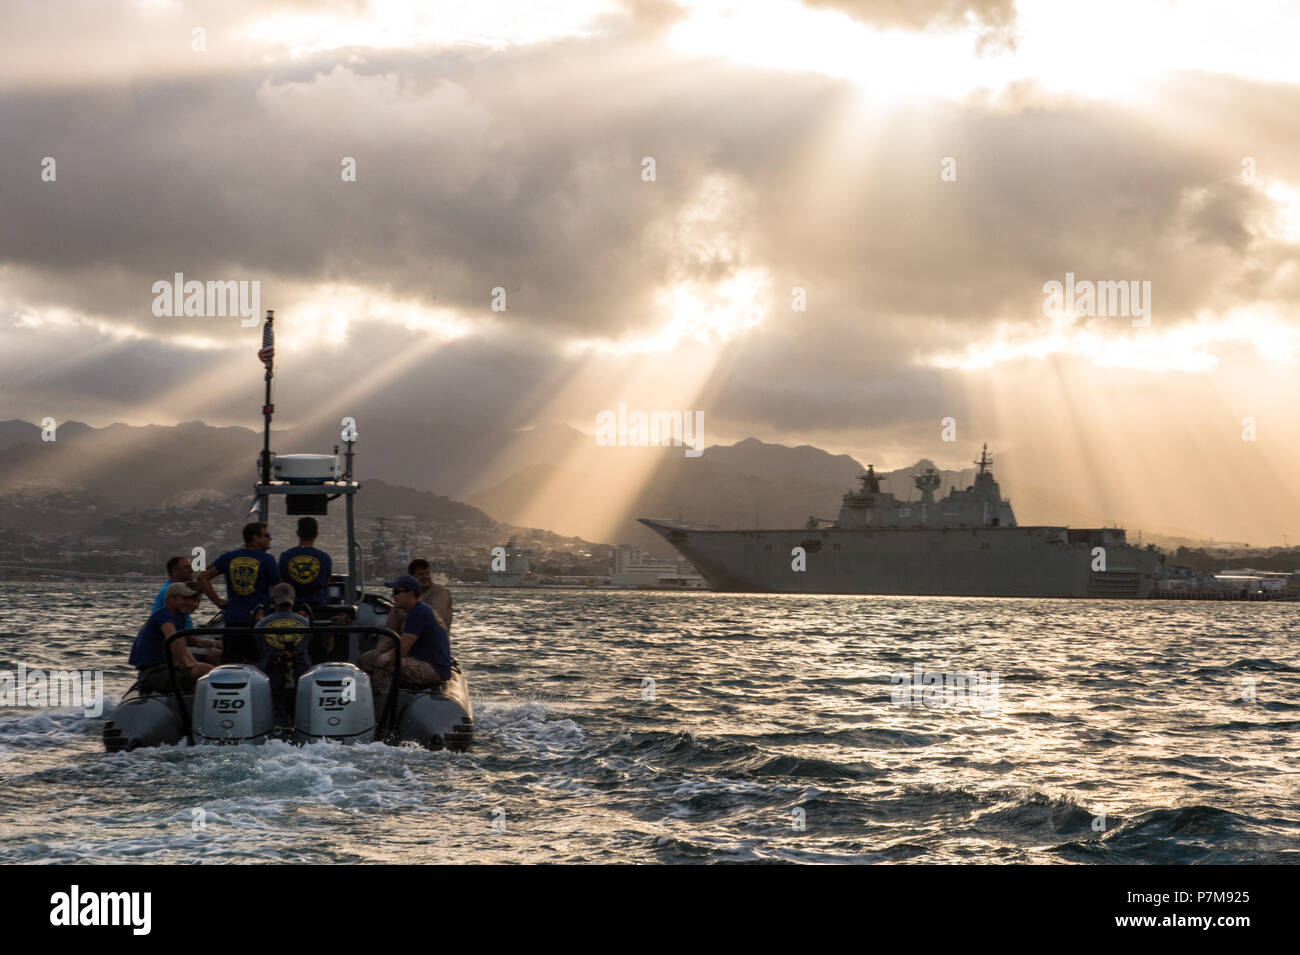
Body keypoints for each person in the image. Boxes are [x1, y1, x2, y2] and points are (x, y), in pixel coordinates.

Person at [197, 521, 281, 663]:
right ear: (255, 538)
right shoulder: (267, 559)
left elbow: (202, 577)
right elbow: (280, 590)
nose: (270, 539)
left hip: (233, 621)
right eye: (266, 535)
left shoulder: (229, 557)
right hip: (258, 623)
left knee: (230, 664)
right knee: (258, 664)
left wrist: (218, 602)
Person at [362, 575, 451, 693]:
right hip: (423, 661)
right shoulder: (416, 611)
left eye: (397, 592)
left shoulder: (418, 613)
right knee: (365, 660)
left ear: (410, 594)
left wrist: (383, 659)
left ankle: (382, 703)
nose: (393, 596)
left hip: (434, 669)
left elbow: (402, 649)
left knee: (386, 666)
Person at [129, 582, 216, 693]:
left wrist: (192, 664)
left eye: (194, 600)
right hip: (152, 673)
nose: (191, 603)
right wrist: (191, 667)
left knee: (207, 670)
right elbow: (174, 641)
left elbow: (183, 647)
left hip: (164, 668)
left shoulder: (180, 617)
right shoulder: (163, 615)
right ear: (171, 598)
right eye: (184, 599)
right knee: (207, 670)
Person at [152, 555, 222, 662]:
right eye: (187, 567)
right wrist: (212, 644)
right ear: (174, 571)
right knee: (221, 653)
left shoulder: (180, 591)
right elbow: (181, 637)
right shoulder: (170, 594)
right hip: (171, 646)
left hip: (186, 639)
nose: (192, 569)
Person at [254, 582, 311, 686]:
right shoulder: (307, 623)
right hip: (302, 674)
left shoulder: (260, 625)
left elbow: (260, 651)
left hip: (269, 675)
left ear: (272, 600)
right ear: (293, 600)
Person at [383, 557, 452, 635]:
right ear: (412, 577)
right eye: (421, 574)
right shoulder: (405, 597)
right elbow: (390, 628)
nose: (425, 577)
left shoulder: (439, 592)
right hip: (405, 641)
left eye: (427, 573)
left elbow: (431, 623)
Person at [278, 517, 333, 611]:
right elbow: (325, 583)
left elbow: (281, 582)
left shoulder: (285, 556)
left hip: (292, 608)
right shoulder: (325, 558)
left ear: (297, 533)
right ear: (316, 534)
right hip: (318, 609)